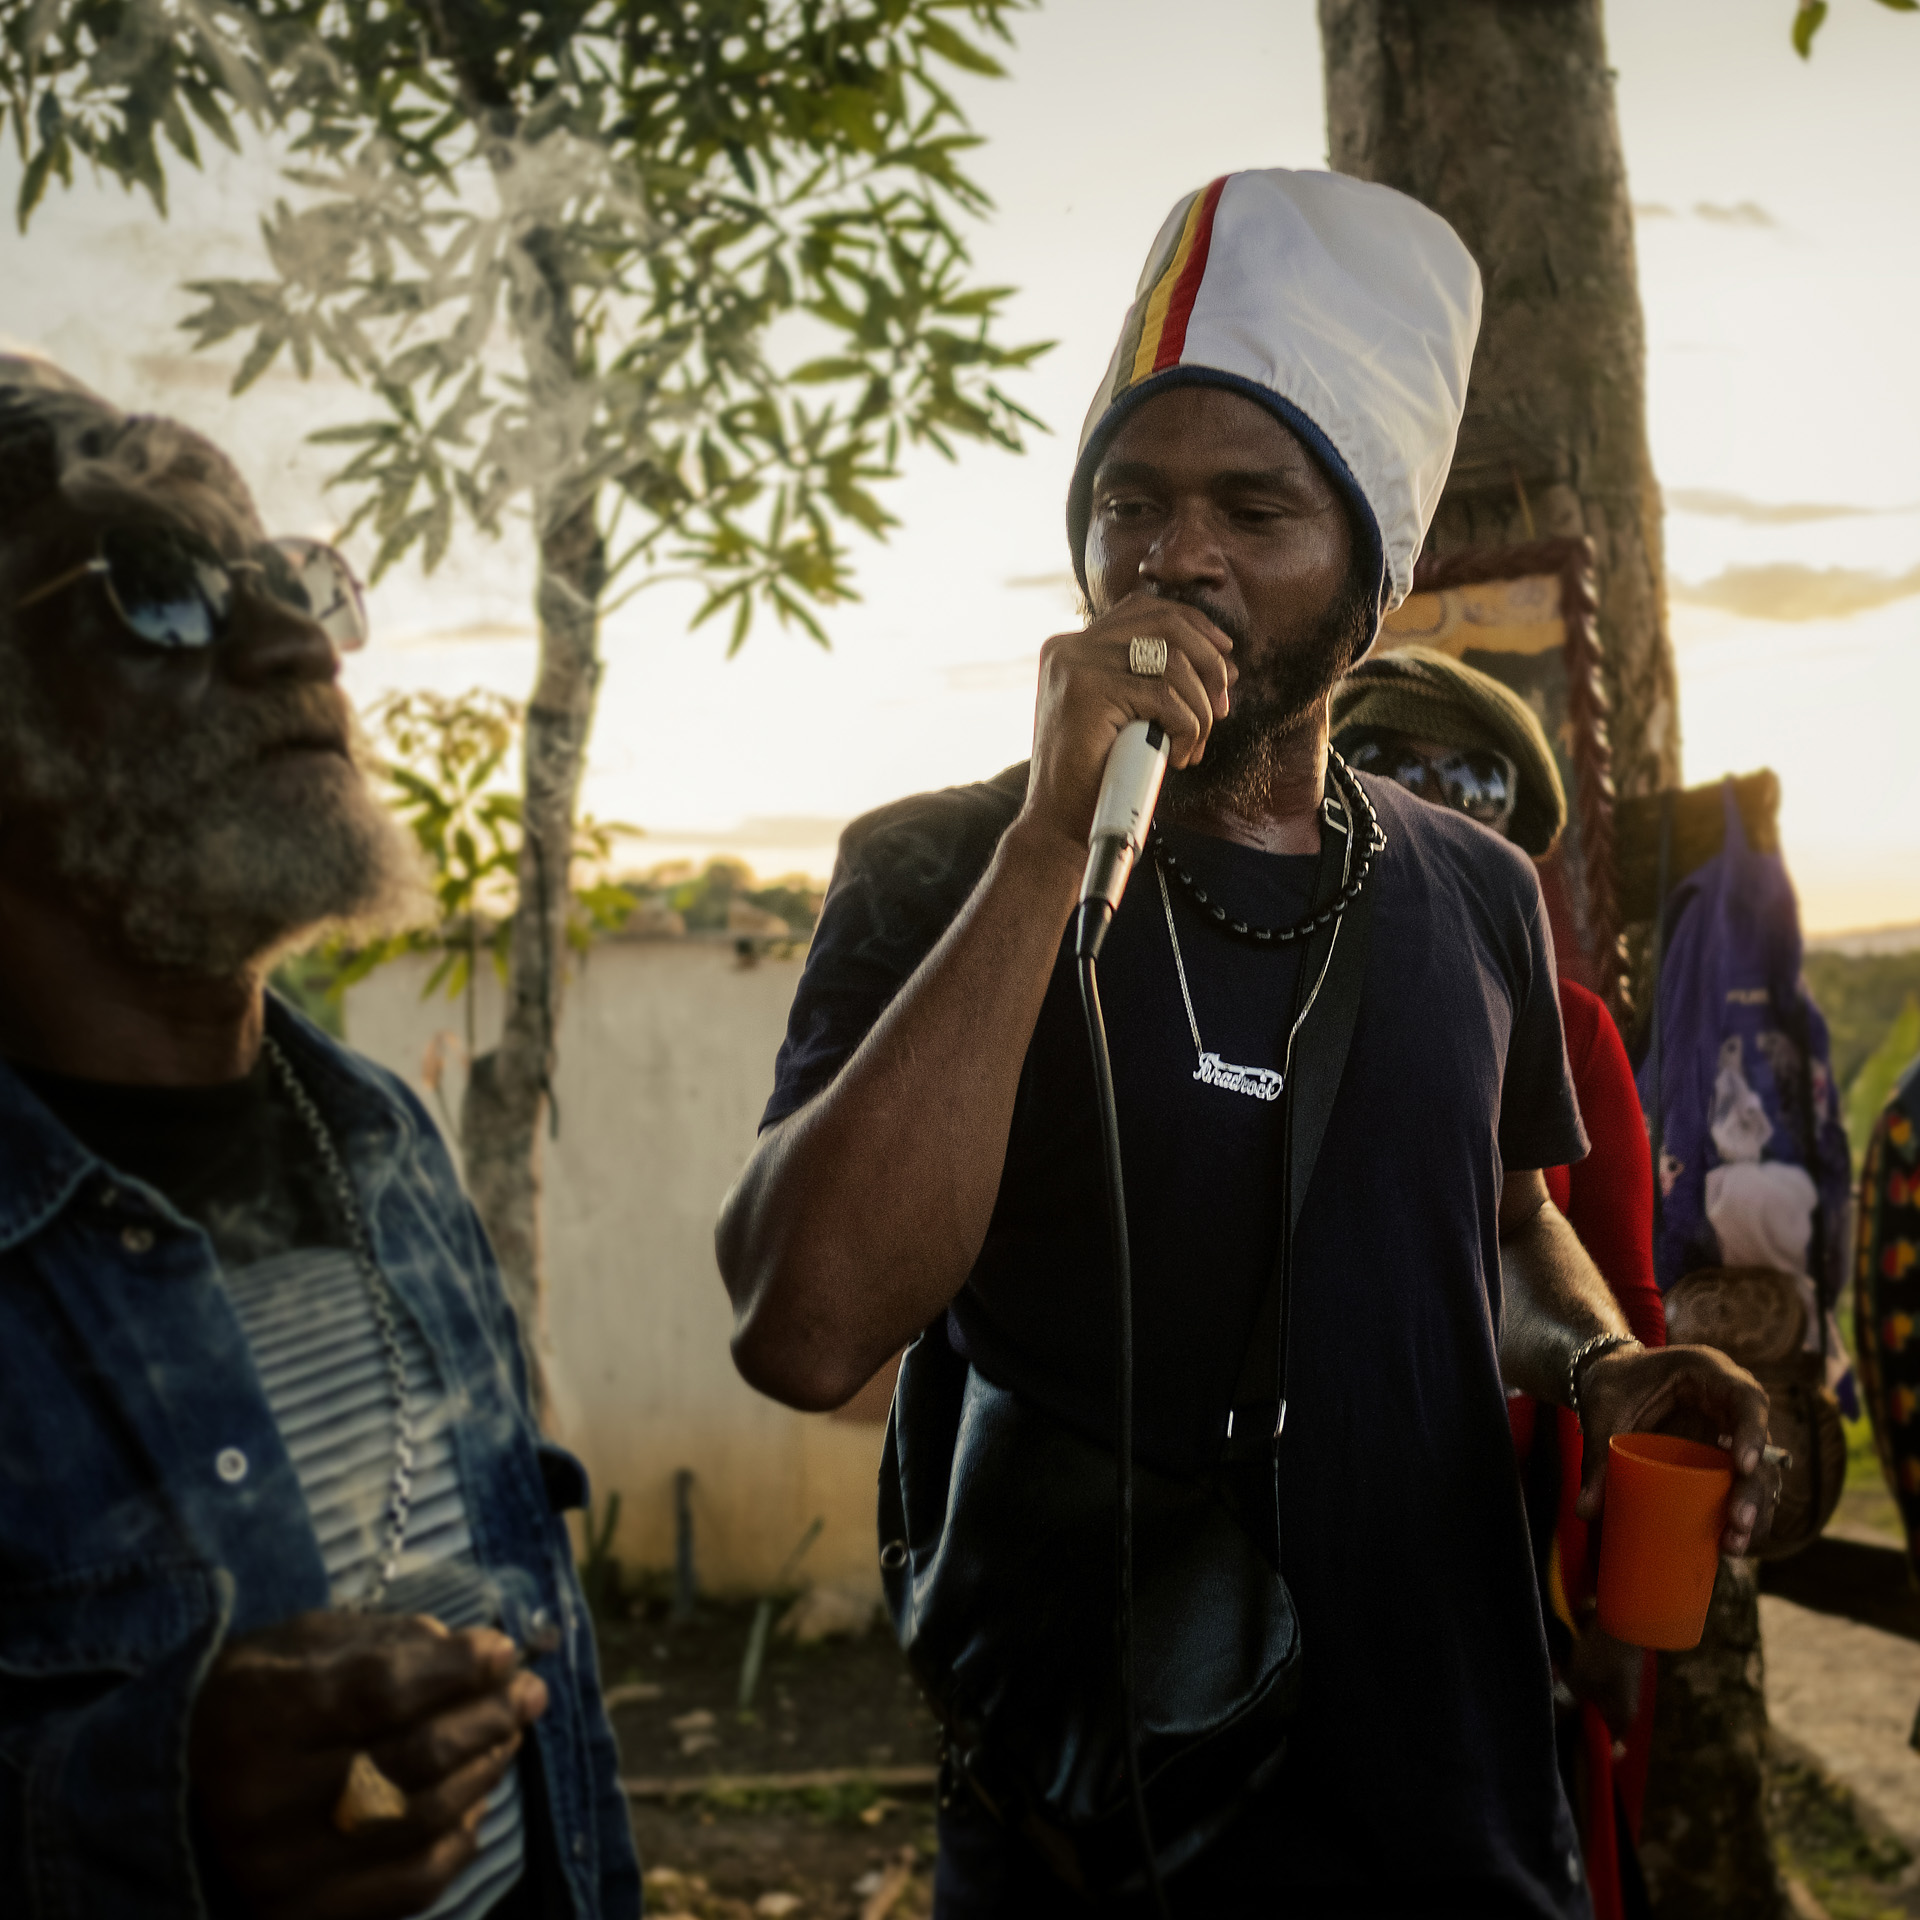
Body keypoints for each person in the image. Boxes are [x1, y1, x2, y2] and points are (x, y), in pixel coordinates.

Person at [716, 167, 1779, 1917]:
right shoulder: (935, 868)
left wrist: (1599, 1366)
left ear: (1373, 567)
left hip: (1458, 1818)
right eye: (1129, 501)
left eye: (1252, 506)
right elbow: (808, 1326)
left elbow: (1501, 1230)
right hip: (1107, 1826)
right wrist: (1051, 843)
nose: (1176, 553)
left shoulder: (1477, 896)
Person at [0, 357, 639, 1920]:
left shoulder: (387, 1138)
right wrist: (144, 1811)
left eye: (287, 578)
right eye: (156, 587)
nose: (298, 641)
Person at [1331, 645, 1670, 1920]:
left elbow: (1621, 1320)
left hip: (1503, 1571)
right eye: (1381, 766)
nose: (1421, 806)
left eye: (1464, 784)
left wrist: (1627, 1615)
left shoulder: (1571, 1033)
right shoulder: (1244, 999)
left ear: (1512, 848)